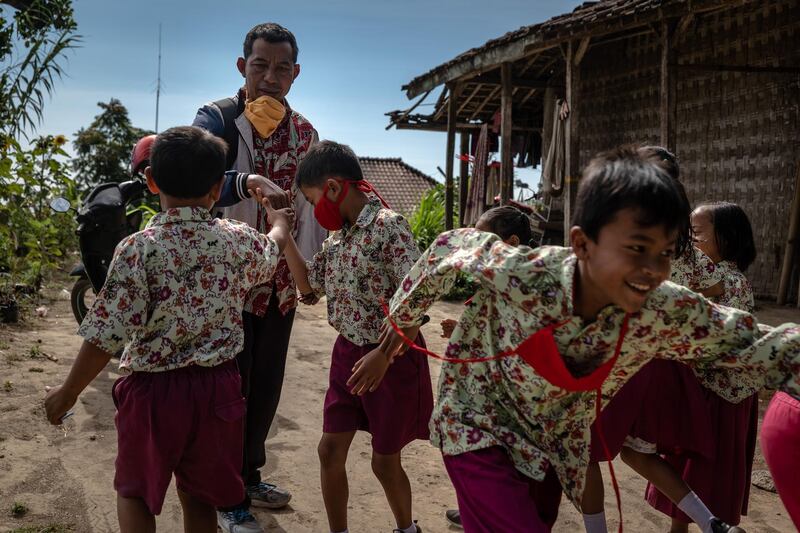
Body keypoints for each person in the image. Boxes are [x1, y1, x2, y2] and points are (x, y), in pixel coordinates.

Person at [370, 145, 800, 533]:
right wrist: (397, 331)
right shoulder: (529, 273)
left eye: (666, 253)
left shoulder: (661, 309)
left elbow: (756, 343)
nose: (652, 268)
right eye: (636, 247)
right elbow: (447, 249)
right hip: (479, 425)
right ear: (582, 244)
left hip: (552, 445)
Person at [43, 126, 293, 533]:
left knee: (137, 493)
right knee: (201, 497)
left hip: (154, 395)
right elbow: (274, 244)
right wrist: (278, 219)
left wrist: (68, 392)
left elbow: (105, 334)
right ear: (217, 188)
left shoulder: (138, 248)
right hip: (219, 392)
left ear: (152, 181)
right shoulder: (237, 241)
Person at [192, 22, 326, 533]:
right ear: (241, 67)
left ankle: (249, 476)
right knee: (228, 389)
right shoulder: (218, 120)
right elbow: (195, 181)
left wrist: (307, 275)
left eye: (281, 68)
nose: (270, 77)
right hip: (226, 283)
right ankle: (225, 497)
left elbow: (310, 210)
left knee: (266, 384)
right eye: (259, 65)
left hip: (279, 284)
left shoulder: (305, 134)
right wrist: (244, 181)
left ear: (295, 74)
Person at [276, 140, 432, 533]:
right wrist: (283, 235)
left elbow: (418, 298)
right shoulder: (338, 239)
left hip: (392, 359)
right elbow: (309, 287)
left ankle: (405, 529)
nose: (315, 210)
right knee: (329, 451)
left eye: (312, 201)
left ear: (332, 187)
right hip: (347, 355)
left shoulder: (388, 227)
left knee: (384, 461)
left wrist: (383, 353)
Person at [581, 147, 737, 533]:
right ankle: (712, 523)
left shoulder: (624, 227)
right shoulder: (683, 241)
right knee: (637, 452)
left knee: (582, 452)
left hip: (626, 361)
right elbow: (717, 288)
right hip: (667, 366)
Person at [642, 202, 758, 531]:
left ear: (727, 238)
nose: (691, 242)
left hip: (719, 396)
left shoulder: (726, 278)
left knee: (700, 475)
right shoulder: (722, 276)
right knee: (693, 476)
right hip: (712, 391)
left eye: (697, 234)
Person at [438, 205, 533, 529]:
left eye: (482, 238)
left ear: (512, 242)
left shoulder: (529, 286)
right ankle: (472, 509)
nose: (473, 247)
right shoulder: (496, 281)